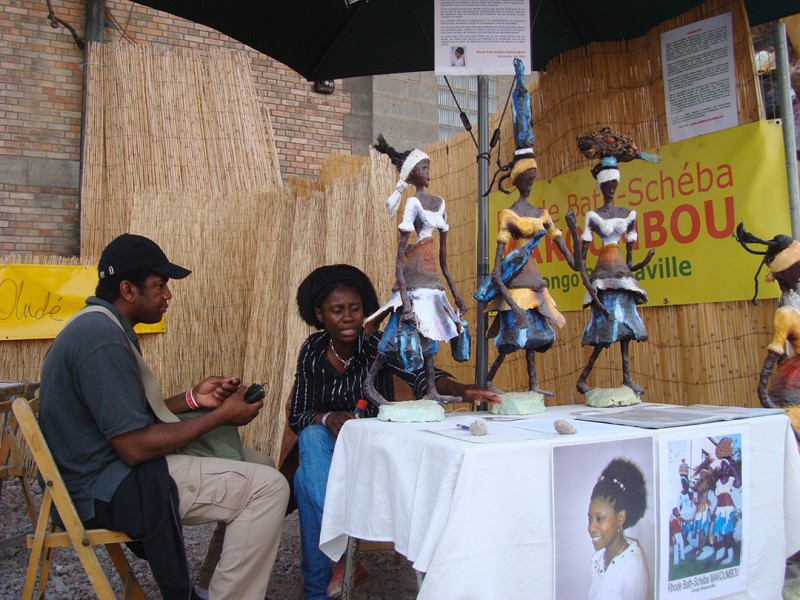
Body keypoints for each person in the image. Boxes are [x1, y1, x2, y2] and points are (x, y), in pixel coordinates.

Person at [38, 233, 290, 600]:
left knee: (262, 464)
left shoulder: (100, 326)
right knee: (269, 487)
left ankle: (207, 589)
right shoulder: (101, 340)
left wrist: (193, 399)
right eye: (159, 286)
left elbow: (123, 415)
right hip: (108, 487)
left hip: (108, 471)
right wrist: (220, 415)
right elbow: (134, 447)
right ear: (128, 290)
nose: (168, 295)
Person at [290, 264, 499, 599]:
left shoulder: (377, 345)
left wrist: (461, 389)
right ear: (320, 315)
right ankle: (340, 563)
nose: (347, 317)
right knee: (312, 441)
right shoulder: (312, 352)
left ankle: (323, 581)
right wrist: (327, 417)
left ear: (365, 311)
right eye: (337, 310)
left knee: (304, 481)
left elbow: (422, 375)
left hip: (371, 458)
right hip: (327, 460)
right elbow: (298, 416)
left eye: (354, 309)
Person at [476, 57, 577, 395]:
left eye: (535, 176)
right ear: (519, 179)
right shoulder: (509, 215)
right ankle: (490, 376)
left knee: (538, 335)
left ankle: (534, 384)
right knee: (514, 336)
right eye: (528, 176)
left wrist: (576, 238)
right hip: (518, 284)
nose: (532, 180)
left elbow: (571, 258)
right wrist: (508, 298)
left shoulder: (542, 213)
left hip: (535, 283)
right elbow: (495, 271)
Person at [363, 135, 472, 405]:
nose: (427, 173)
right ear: (412, 173)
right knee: (394, 337)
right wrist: (406, 302)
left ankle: (432, 389)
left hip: (432, 281)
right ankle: (369, 383)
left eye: (428, 167)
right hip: (412, 282)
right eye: (423, 168)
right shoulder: (412, 204)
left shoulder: (441, 204)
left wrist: (455, 293)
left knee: (431, 336)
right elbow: (398, 262)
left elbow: (444, 258)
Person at [572, 128, 660, 396]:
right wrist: (589, 286)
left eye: (614, 186)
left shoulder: (628, 214)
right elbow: (582, 262)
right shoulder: (592, 216)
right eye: (607, 186)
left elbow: (630, 260)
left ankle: (626, 378)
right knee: (607, 326)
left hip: (621, 274)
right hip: (603, 276)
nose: (611, 189)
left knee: (627, 328)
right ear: (600, 186)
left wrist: (642, 262)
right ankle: (584, 377)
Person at [587, 458, 649, 600]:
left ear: (620, 518)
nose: (591, 528)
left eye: (599, 518)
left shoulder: (632, 565)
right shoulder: (598, 560)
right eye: (590, 519)